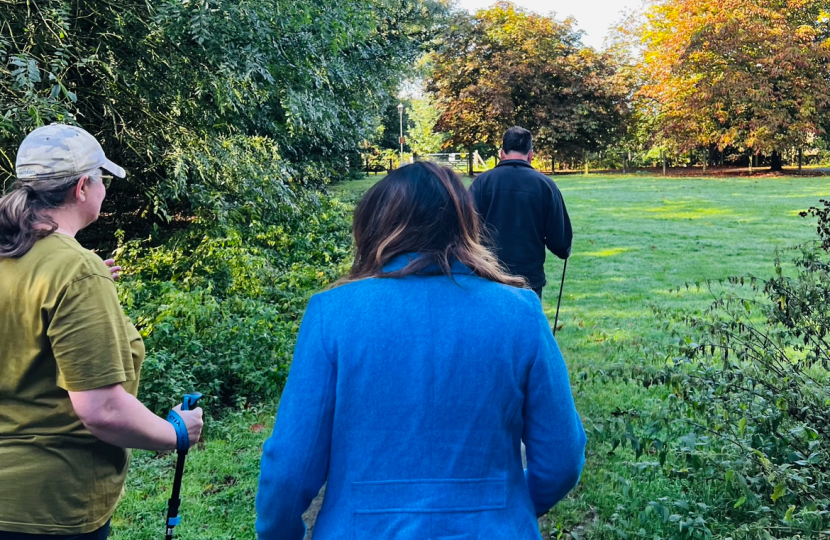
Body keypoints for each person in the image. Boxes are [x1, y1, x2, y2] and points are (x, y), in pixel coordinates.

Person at [256, 161, 586, 540]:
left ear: (374, 226)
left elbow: (288, 470)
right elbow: (562, 456)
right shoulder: (520, 312)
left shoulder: (333, 313)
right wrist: (509, 506)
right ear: (465, 225)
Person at [0, 124, 203, 539]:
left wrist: (83, 280)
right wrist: (177, 432)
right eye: (102, 180)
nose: (103, 191)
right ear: (81, 188)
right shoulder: (74, 269)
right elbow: (102, 410)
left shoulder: (27, 256)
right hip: (47, 507)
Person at [470, 126, 572, 299]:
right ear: (531, 155)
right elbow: (560, 243)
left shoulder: (481, 184)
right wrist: (565, 249)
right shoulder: (546, 186)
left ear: (502, 153)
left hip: (488, 275)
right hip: (528, 281)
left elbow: (463, 229)